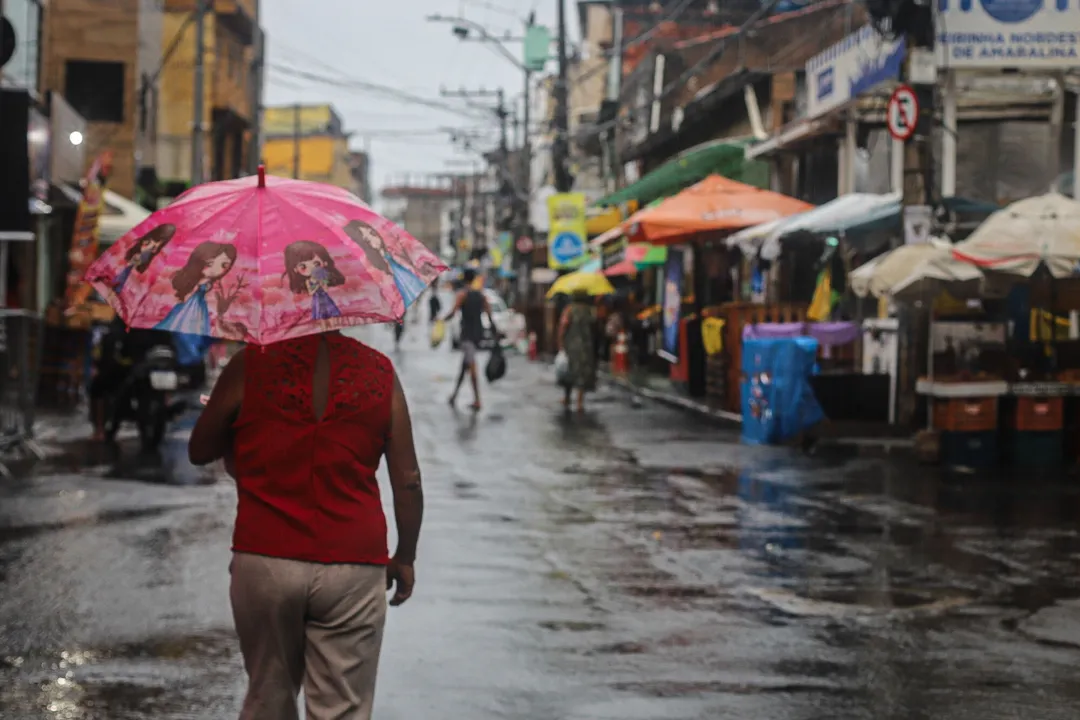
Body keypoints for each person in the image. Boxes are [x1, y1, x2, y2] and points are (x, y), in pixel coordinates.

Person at [188, 331, 423, 720]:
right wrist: (406, 556)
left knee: (267, 697)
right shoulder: (379, 371)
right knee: (342, 708)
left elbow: (200, 450)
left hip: (265, 559)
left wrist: (230, 418)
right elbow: (408, 479)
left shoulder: (249, 364)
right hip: (353, 564)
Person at [443, 268, 496, 411]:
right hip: (478, 333)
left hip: (467, 335)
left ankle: (477, 400)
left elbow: (453, 312)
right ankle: (454, 395)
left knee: (471, 365)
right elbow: (489, 313)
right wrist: (494, 331)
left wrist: (441, 320)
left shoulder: (462, 294)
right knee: (464, 366)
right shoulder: (481, 295)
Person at [558, 289, 598, 412]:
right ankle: (580, 402)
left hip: (572, 346)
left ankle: (567, 397)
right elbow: (596, 325)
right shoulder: (591, 310)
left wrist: (560, 342)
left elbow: (563, 326)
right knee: (583, 373)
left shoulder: (569, 310)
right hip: (586, 346)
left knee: (569, 371)